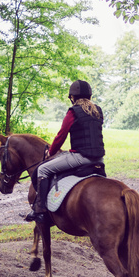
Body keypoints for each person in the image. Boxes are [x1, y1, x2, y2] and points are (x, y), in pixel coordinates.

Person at [25, 80, 105, 223]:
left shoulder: (73, 112)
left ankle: (40, 211)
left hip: (80, 157)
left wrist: (51, 152)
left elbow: (61, 135)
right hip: (99, 159)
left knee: (42, 170)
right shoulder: (97, 111)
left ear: (72, 97)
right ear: (89, 96)